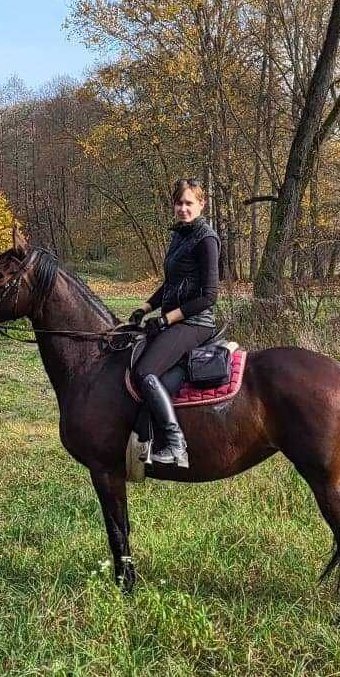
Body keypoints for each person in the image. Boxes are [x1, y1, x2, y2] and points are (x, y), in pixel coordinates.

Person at [129, 178, 221, 469]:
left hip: (196, 323)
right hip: (176, 321)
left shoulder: (206, 239)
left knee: (145, 371)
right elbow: (170, 284)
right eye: (179, 203)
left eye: (189, 203)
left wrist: (167, 319)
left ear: (201, 205)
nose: (183, 208)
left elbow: (209, 297)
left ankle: (175, 443)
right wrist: (144, 308)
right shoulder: (179, 236)